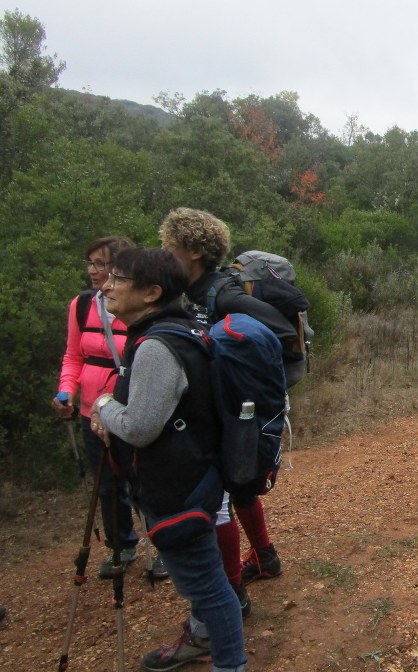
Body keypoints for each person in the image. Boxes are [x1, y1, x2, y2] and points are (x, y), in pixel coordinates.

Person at [90, 248, 246, 672]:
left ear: (151, 293)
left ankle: (230, 664)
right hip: (192, 475)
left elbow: (141, 427)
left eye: (118, 279)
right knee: (204, 581)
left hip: (179, 485)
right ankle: (202, 640)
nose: (105, 284)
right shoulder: (173, 330)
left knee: (210, 589)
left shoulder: (158, 346)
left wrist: (103, 405)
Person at [159, 208, 287, 594]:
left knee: (223, 499)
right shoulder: (192, 293)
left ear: (195, 251)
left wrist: (219, 347)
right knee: (239, 485)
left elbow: (276, 330)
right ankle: (265, 557)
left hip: (231, 410)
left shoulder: (223, 292)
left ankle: (233, 592)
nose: (166, 255)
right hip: (221, 408)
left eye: (171, 247)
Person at [51, 236, 169, 580]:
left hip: (131, 407)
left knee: (143, 479)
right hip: (92, 412)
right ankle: (123, 544)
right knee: (107, 484)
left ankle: (164, 543)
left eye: (102, 264)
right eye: (90, 263)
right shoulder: (81, 306)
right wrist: (65, 392)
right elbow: (74, 355)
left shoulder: (139, 308)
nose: (93, 271)